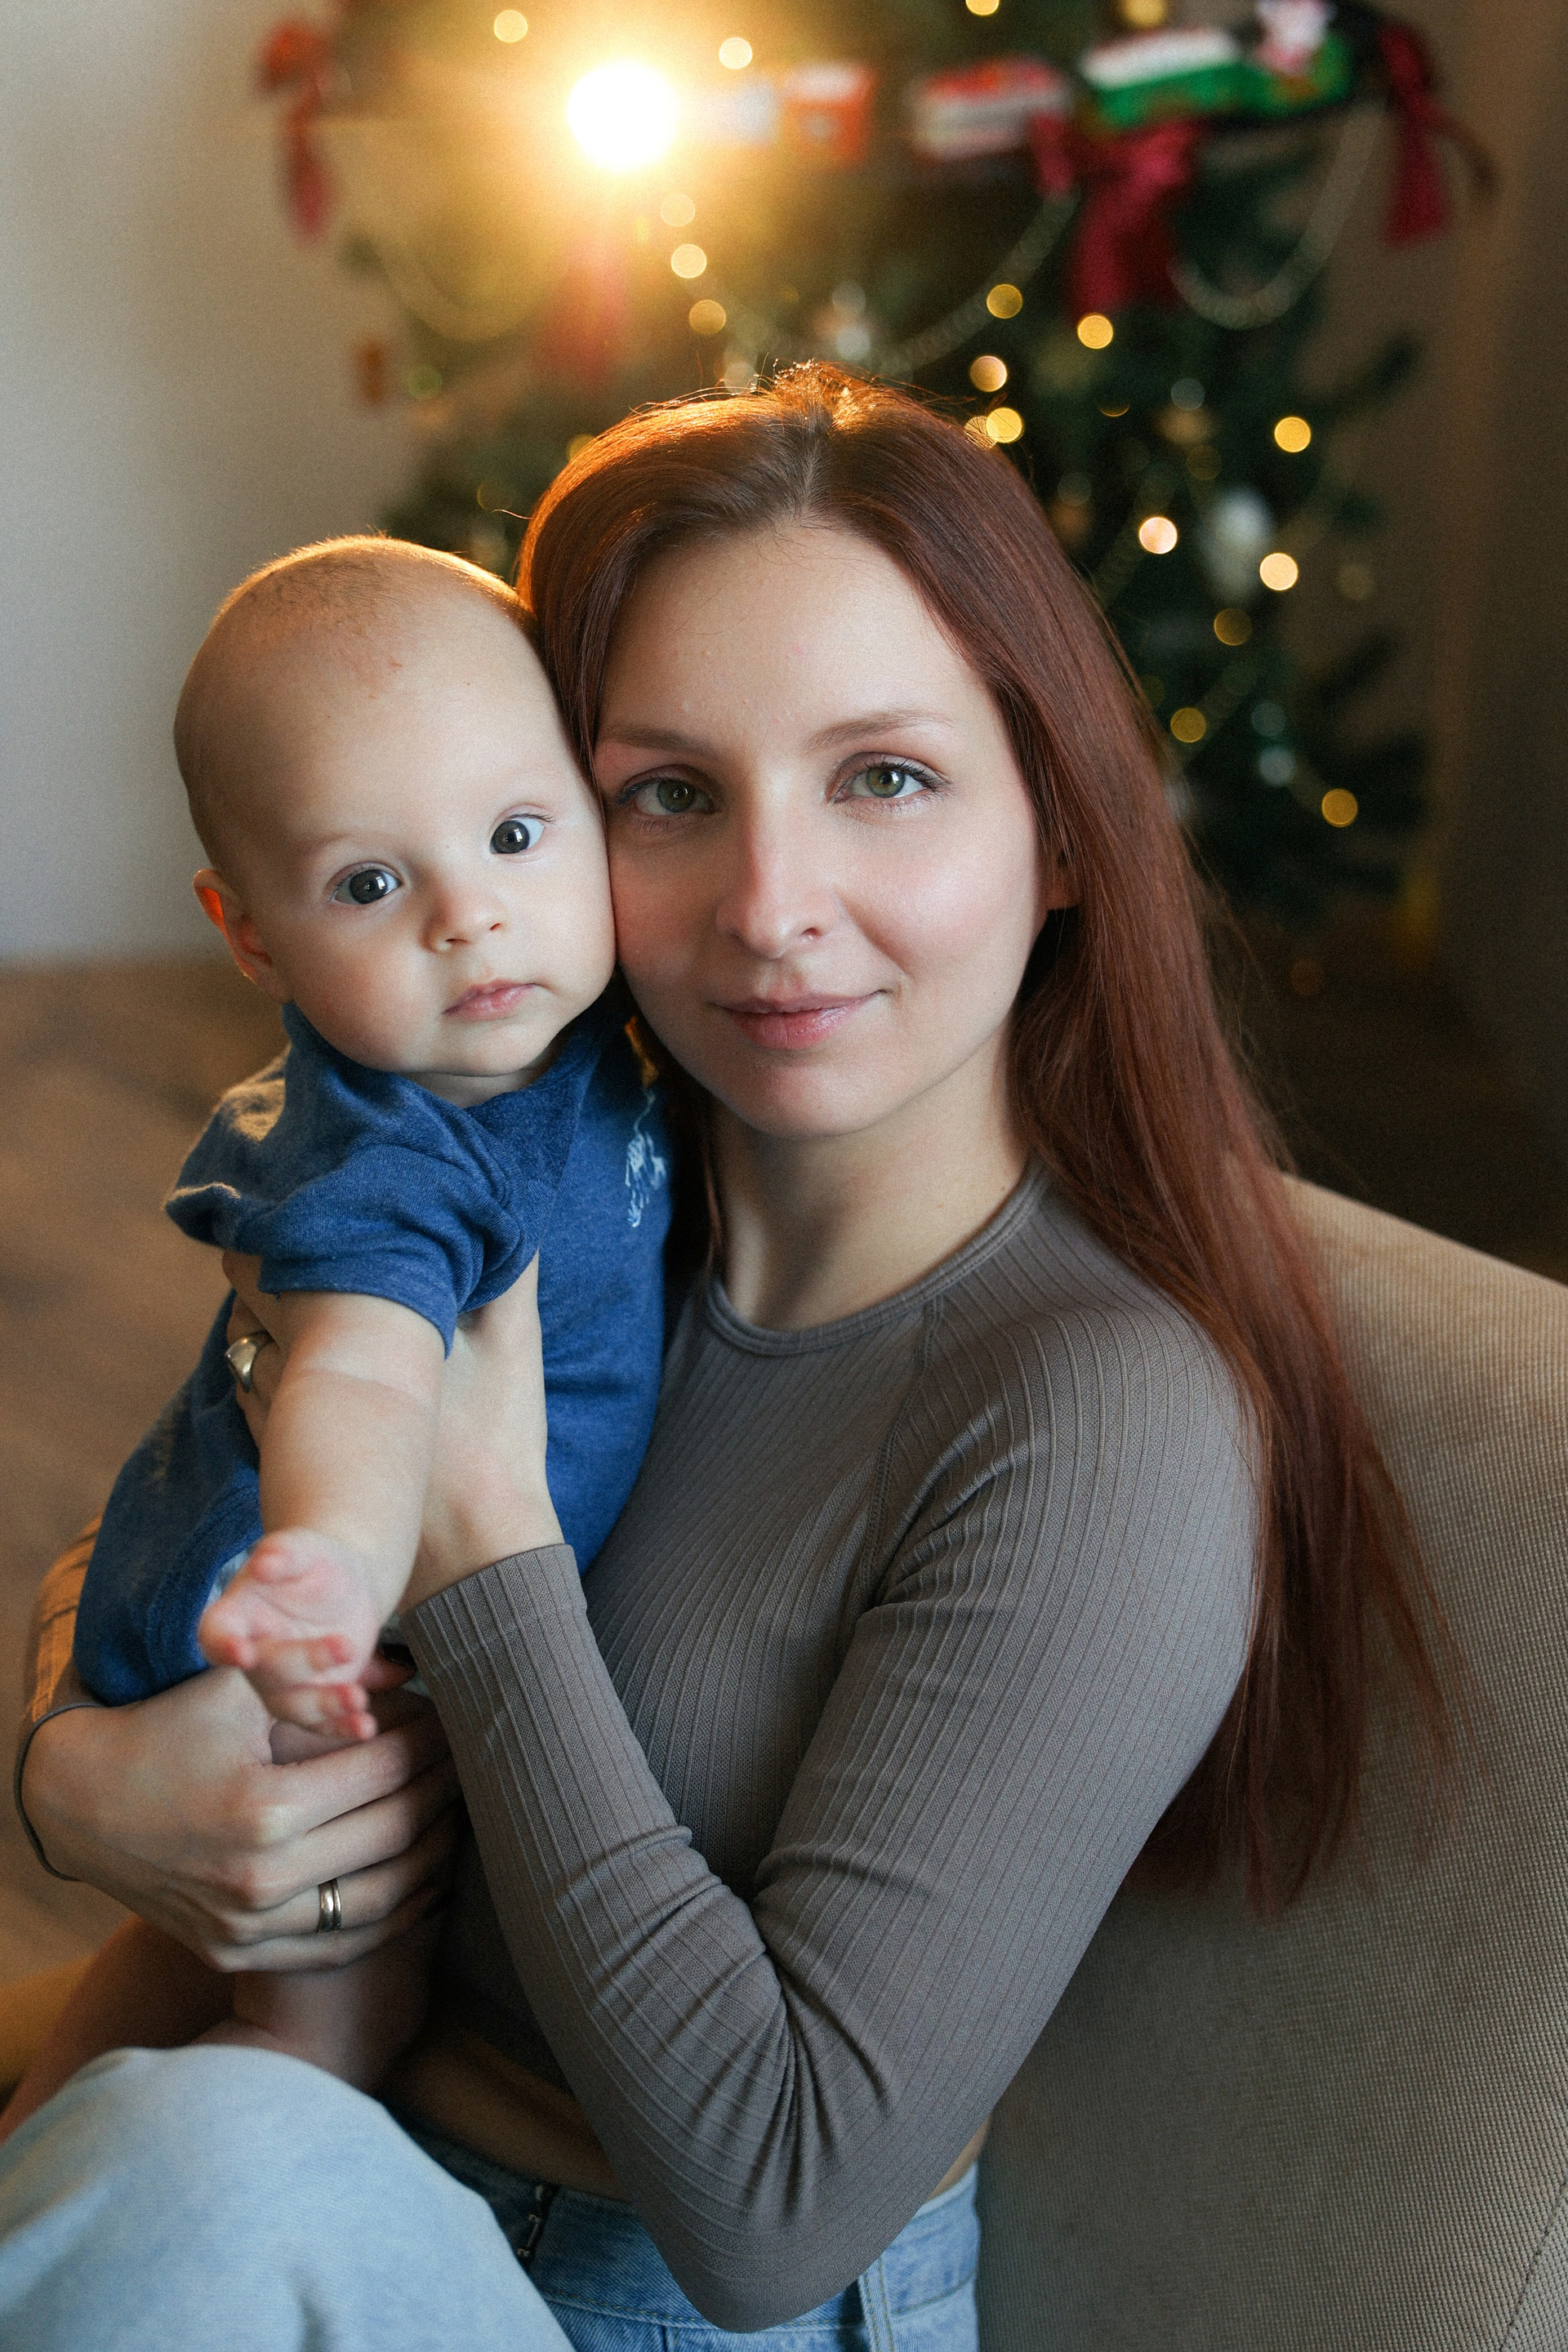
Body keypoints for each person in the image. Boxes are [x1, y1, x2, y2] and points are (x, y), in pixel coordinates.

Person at [1, 368, 1446, 2352]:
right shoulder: (562, 1158)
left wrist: (489, 1561)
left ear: (1061, 831)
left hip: (631, 2303)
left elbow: (776, 2212)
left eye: (886, 779)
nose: (771, 911)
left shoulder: (1102, 1417)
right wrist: (70, 1780)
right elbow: (197, 1518)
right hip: (328, 2178)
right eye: (670, 794)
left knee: (204, 2169)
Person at [36, 537, 670, 2091]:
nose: (471, 916)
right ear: (251, 934)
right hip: (299, 1645)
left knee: (158, 1978)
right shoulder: (396, 1161)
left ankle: (44, 2149)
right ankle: (255, 2140)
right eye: (370, 884)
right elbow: (364, 1384)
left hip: (302, 1594)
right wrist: (328, 1564)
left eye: (515, 833)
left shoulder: (561, 1030)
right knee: (340, 2004)